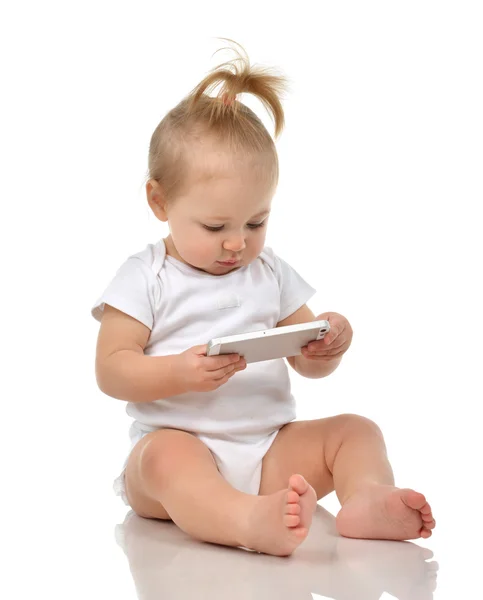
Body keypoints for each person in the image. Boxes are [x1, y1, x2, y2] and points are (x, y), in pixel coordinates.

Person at [91, 39, 435, 557]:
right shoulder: (146, 276)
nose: (237, 243)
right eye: (215, 225)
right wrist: (177, 373)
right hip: (180, 453)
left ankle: (365, 499)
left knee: (356, 430)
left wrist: (326, 344)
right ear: (159, 201)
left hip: (271, 447)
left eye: (256, 221)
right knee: (162, 458)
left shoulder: (269, 271)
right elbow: (111, 370)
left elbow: (306, 361)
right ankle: (243, 520)